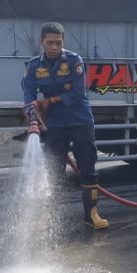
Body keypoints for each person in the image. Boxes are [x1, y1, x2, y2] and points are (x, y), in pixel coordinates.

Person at [22, 22, 108, 229]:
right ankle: (52, 219)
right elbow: (29, 97)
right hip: (55, 125)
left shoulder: (73, 61)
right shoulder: (34, 66)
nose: (54, 47)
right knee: (54, 171)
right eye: (50, 43)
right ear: (41, 42)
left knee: (87, 168)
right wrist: (33, 117)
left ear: (63, 42)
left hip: (80, 121)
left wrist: (50, 101)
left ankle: (91, 215)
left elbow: (78, 93)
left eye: (58, 43)